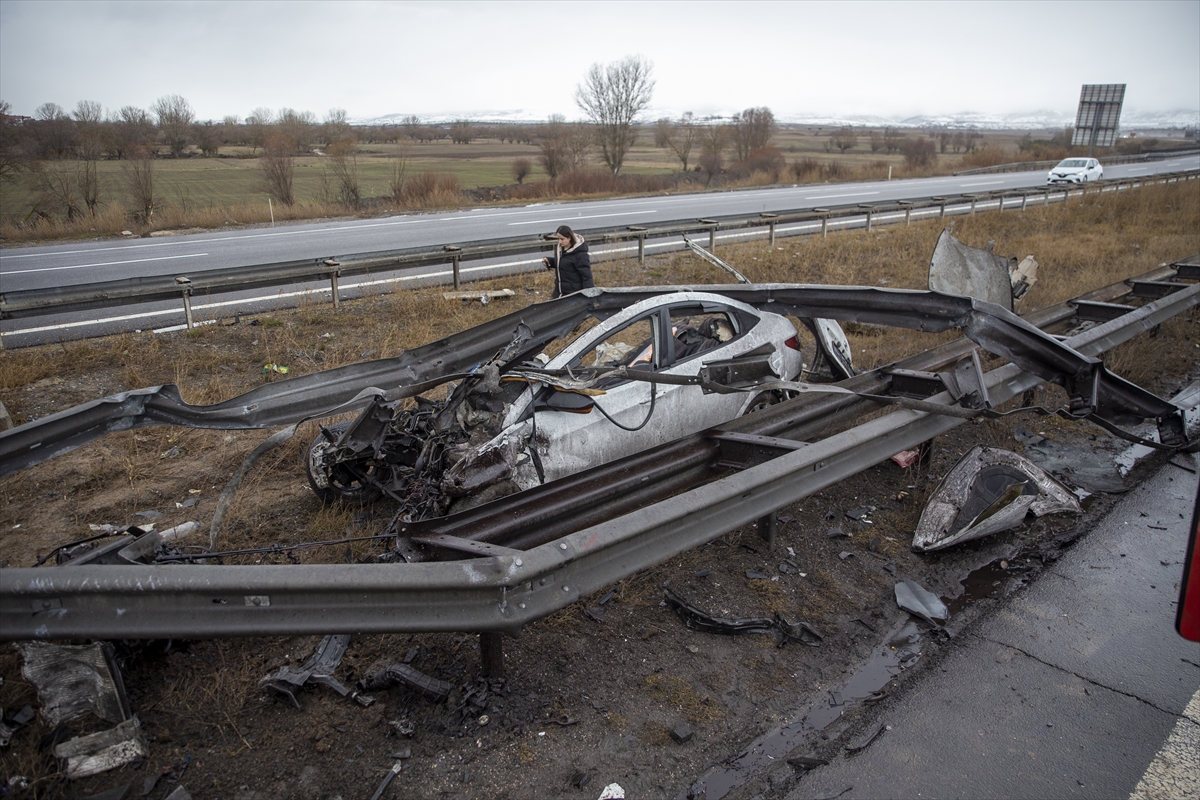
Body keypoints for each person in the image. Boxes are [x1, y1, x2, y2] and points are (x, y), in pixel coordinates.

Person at [542, 225, 594, 298]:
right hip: (559, 292)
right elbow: (564, 263)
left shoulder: (580, 254)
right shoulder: (560, 249)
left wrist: (590, 296)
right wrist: (550, 261)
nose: (559, 242)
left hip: (573, 294)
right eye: (558, 239)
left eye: (562, 239)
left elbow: (586, 277)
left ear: (569, 238)